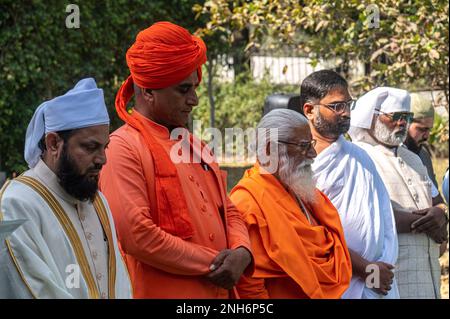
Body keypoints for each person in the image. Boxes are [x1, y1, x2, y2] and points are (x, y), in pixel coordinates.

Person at [99, 21, 253, 299]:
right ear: (147, 91)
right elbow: (137, 235)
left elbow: (227, 210)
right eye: (183, 90)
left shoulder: (195, 145)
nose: (194, 99)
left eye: (194, 87)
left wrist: (242, 250)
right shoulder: (122, 148)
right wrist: (214, 263)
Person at [0, 78, 132, 299]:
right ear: (53, 143)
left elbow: (119, 283)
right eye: (90, 147)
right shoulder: (15, 204)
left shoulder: (97, 201)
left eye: (104, 147)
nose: (102, 159)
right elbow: (32, 290)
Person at [229, 109, 352, 299]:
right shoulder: (248, 202)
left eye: (311, 144)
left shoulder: (302, 191)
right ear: (271, 149)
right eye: (303, 146)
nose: (313, 154)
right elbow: (249, 285)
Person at [299, 70, 399, 299]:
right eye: (336, 106)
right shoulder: (301, 164)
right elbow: (311, 233)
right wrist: (365, 269)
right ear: (309, 110)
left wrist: (379, 268)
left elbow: (385, 222)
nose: (345, 113)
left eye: (348, 104)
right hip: (333, 281)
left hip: (378, 281)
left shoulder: (361, 157)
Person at [349, 87, 448, 299]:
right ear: (373, 117)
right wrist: (427, 223)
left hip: (427, 273)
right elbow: (371, 217)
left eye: (406, 117)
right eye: (395, 117)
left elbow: (438, 202)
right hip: (390, 276)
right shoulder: (360, 157)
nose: (402, 122)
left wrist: (441, 214)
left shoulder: (414, 158)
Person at [404, 93, 439, 188]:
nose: (426, 136)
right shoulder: (386, 156)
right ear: (404, 123)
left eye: (429, 129)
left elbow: (433, 198)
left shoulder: (423, 155)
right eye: (422, 129)